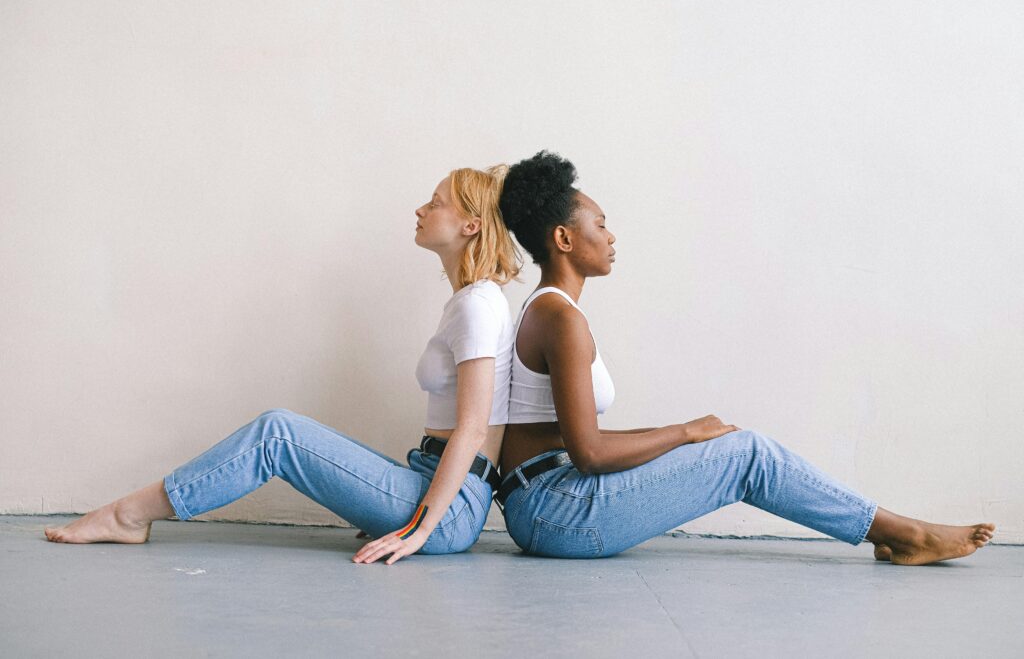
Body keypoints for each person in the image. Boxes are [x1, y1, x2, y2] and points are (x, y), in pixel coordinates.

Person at [493, 149, 995, 565]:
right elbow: (592, 454)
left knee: (729, 447)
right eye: (600, 224)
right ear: (564, 238)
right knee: (747, 455)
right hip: (556, 513)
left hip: (544, 500)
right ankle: (908, 535)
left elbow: (578, 440)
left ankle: (895, 532)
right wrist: (686, 432)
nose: (611, 235)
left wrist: (680, 438)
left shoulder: (548, 310)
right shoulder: (562, 320)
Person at [45, 164, 522, 565]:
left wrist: (420, 528)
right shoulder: (472, 300)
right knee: (285, 431)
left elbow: (474, 430)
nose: (420, 209)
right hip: (431, 480)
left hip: (449, 509)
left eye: (435, 203)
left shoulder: (478, 305)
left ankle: (128, 515)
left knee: (277, 435)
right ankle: (129, 514)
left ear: (471, 225)